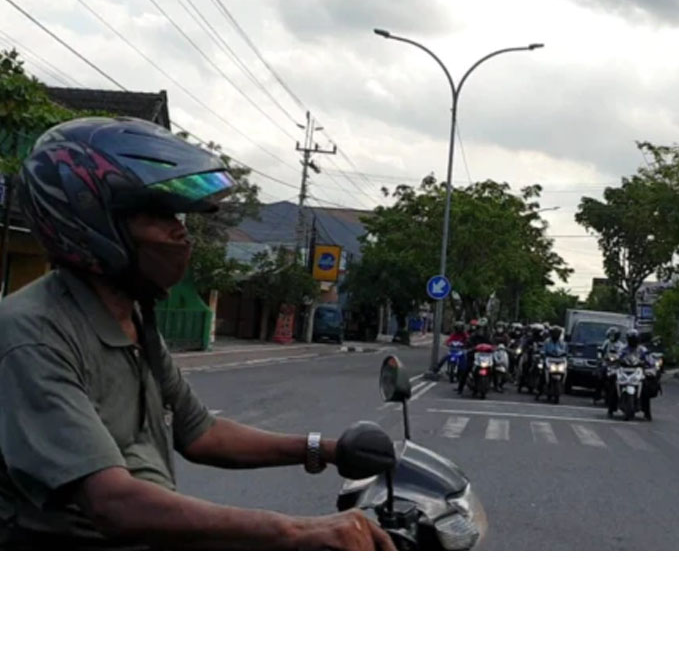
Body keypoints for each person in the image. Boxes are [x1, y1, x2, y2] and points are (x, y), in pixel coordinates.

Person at [0, 117, 394, 550]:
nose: (180, 231)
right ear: (91, 219)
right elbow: (112, 502)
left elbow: (201, 433)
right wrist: (297, 531)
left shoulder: (133, 319)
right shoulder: (33, 333)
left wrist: (326, 449)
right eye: (157, 214)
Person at [456, 319, 493, 394]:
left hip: (486, 357)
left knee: (494, 368)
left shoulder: (488, 336)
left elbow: (492, 344)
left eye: (483, 328)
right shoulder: (473, 336)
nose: (481, 330)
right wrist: (469, 349)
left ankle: (495, 384)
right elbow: (468, 343)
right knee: (466, 369)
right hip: (474, 356)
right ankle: (460, 388)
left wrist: (495, 348)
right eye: (480, 328)